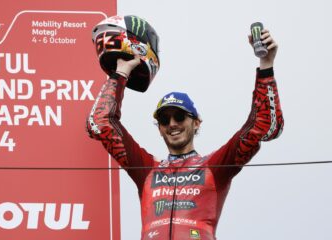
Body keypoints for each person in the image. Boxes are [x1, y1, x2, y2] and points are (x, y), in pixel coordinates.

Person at [86, 29, 284, 240]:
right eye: (164, 120)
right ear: (160, 128)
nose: (172, 124)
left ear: (196, 123)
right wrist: (121, 72)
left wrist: (266, 65)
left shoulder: (214, 166)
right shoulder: (146, 170)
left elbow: (264, 127)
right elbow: (99, 123)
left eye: (180, 116)